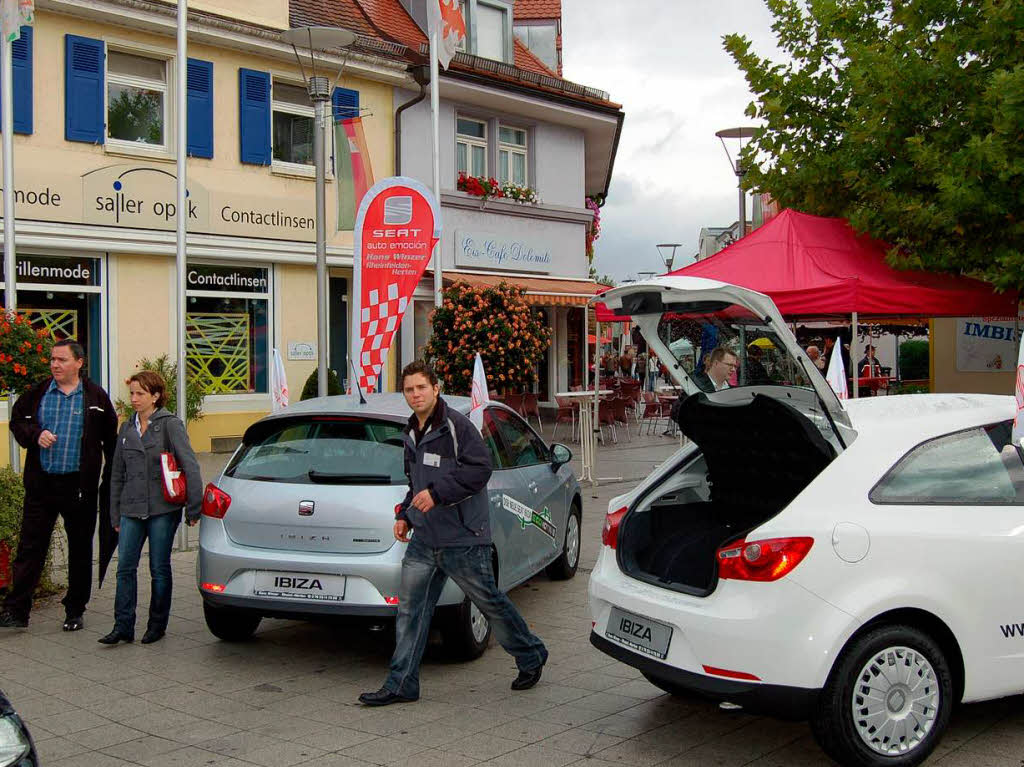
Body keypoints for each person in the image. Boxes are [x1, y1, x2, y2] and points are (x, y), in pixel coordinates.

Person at [358, 361, 548, 706]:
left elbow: (480, 469)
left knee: (490, 603)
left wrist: (437, 494)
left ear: (436, 388)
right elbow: (417, 485)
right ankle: (402, 684)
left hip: (463, 538)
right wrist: (406, 514)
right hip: (424, 539)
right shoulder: (410, 432)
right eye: (409, 389)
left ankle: (531, 653)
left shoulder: (456, 426)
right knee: (410, 612)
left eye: (421, 388)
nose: (415, 395)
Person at [0, 341, 118, 631]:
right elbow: (17, 421)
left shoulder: (95, 397)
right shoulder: (39, 393)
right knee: (30, 548)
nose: (54, 365)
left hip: (79, 488)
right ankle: (17, 611)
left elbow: (111, 443)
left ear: (79, 362)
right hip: (42, 484)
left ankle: (75, 610)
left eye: (61, 360)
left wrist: (109, 484)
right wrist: (35, 434)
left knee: (79, 550)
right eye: (52, 359)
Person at [99, 371, 202, 645]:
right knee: (125, 568)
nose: (134, 399)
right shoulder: (126, 429)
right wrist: (114, 513)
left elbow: (190, 465)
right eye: (132, 393)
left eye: (140, 394)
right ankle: (122, 626)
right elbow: (116, 474)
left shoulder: (170, 425)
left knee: (159, 568)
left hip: (162, 508)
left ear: (155, 396)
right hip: (131, 508)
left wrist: (194, 507)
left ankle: (157, 624)